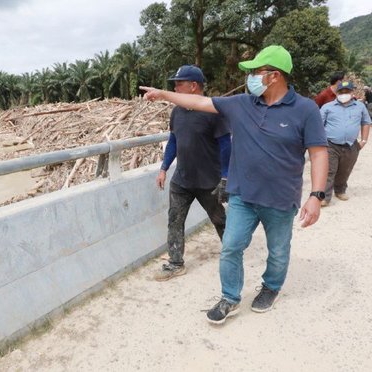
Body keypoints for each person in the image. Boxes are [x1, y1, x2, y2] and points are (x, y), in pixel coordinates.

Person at [140, 45, 329, 325]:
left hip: (280, 198)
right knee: (230, 245)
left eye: (255, 72)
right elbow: (199, 103)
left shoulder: (305, 109)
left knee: (277, 251)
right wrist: (163, 94)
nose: (250, 77)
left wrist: (316, 194)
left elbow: (318, 152)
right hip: (243, 195)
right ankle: (230, 296)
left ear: (274, 76)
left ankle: (270, 287)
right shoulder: (242, 104)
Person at [153, 65, 231, 281]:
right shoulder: (177, 112)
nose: (175, 88)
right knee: (175, 220)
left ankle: (233, 253)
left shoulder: (213, 111)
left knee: (219, 219)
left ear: (194, 86)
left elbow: (225, 145)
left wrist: (225, 176)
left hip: (209, 180)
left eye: (179, 84)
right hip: (182, 180)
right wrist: (164, 168)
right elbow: (174, 140)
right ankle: (176, 263)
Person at [320, 81, 371, 206]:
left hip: (351, 145)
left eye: (347, 92)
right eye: (341, 92)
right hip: (330, 144)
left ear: (352, 92)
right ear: (337, 93)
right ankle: (325, 197)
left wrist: (363, 140)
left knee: (345, 170)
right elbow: (319, 125)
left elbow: (366, 122)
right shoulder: (327, 107)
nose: (344, 94)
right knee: (329, 171)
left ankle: (340, 190)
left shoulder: (360, 107)